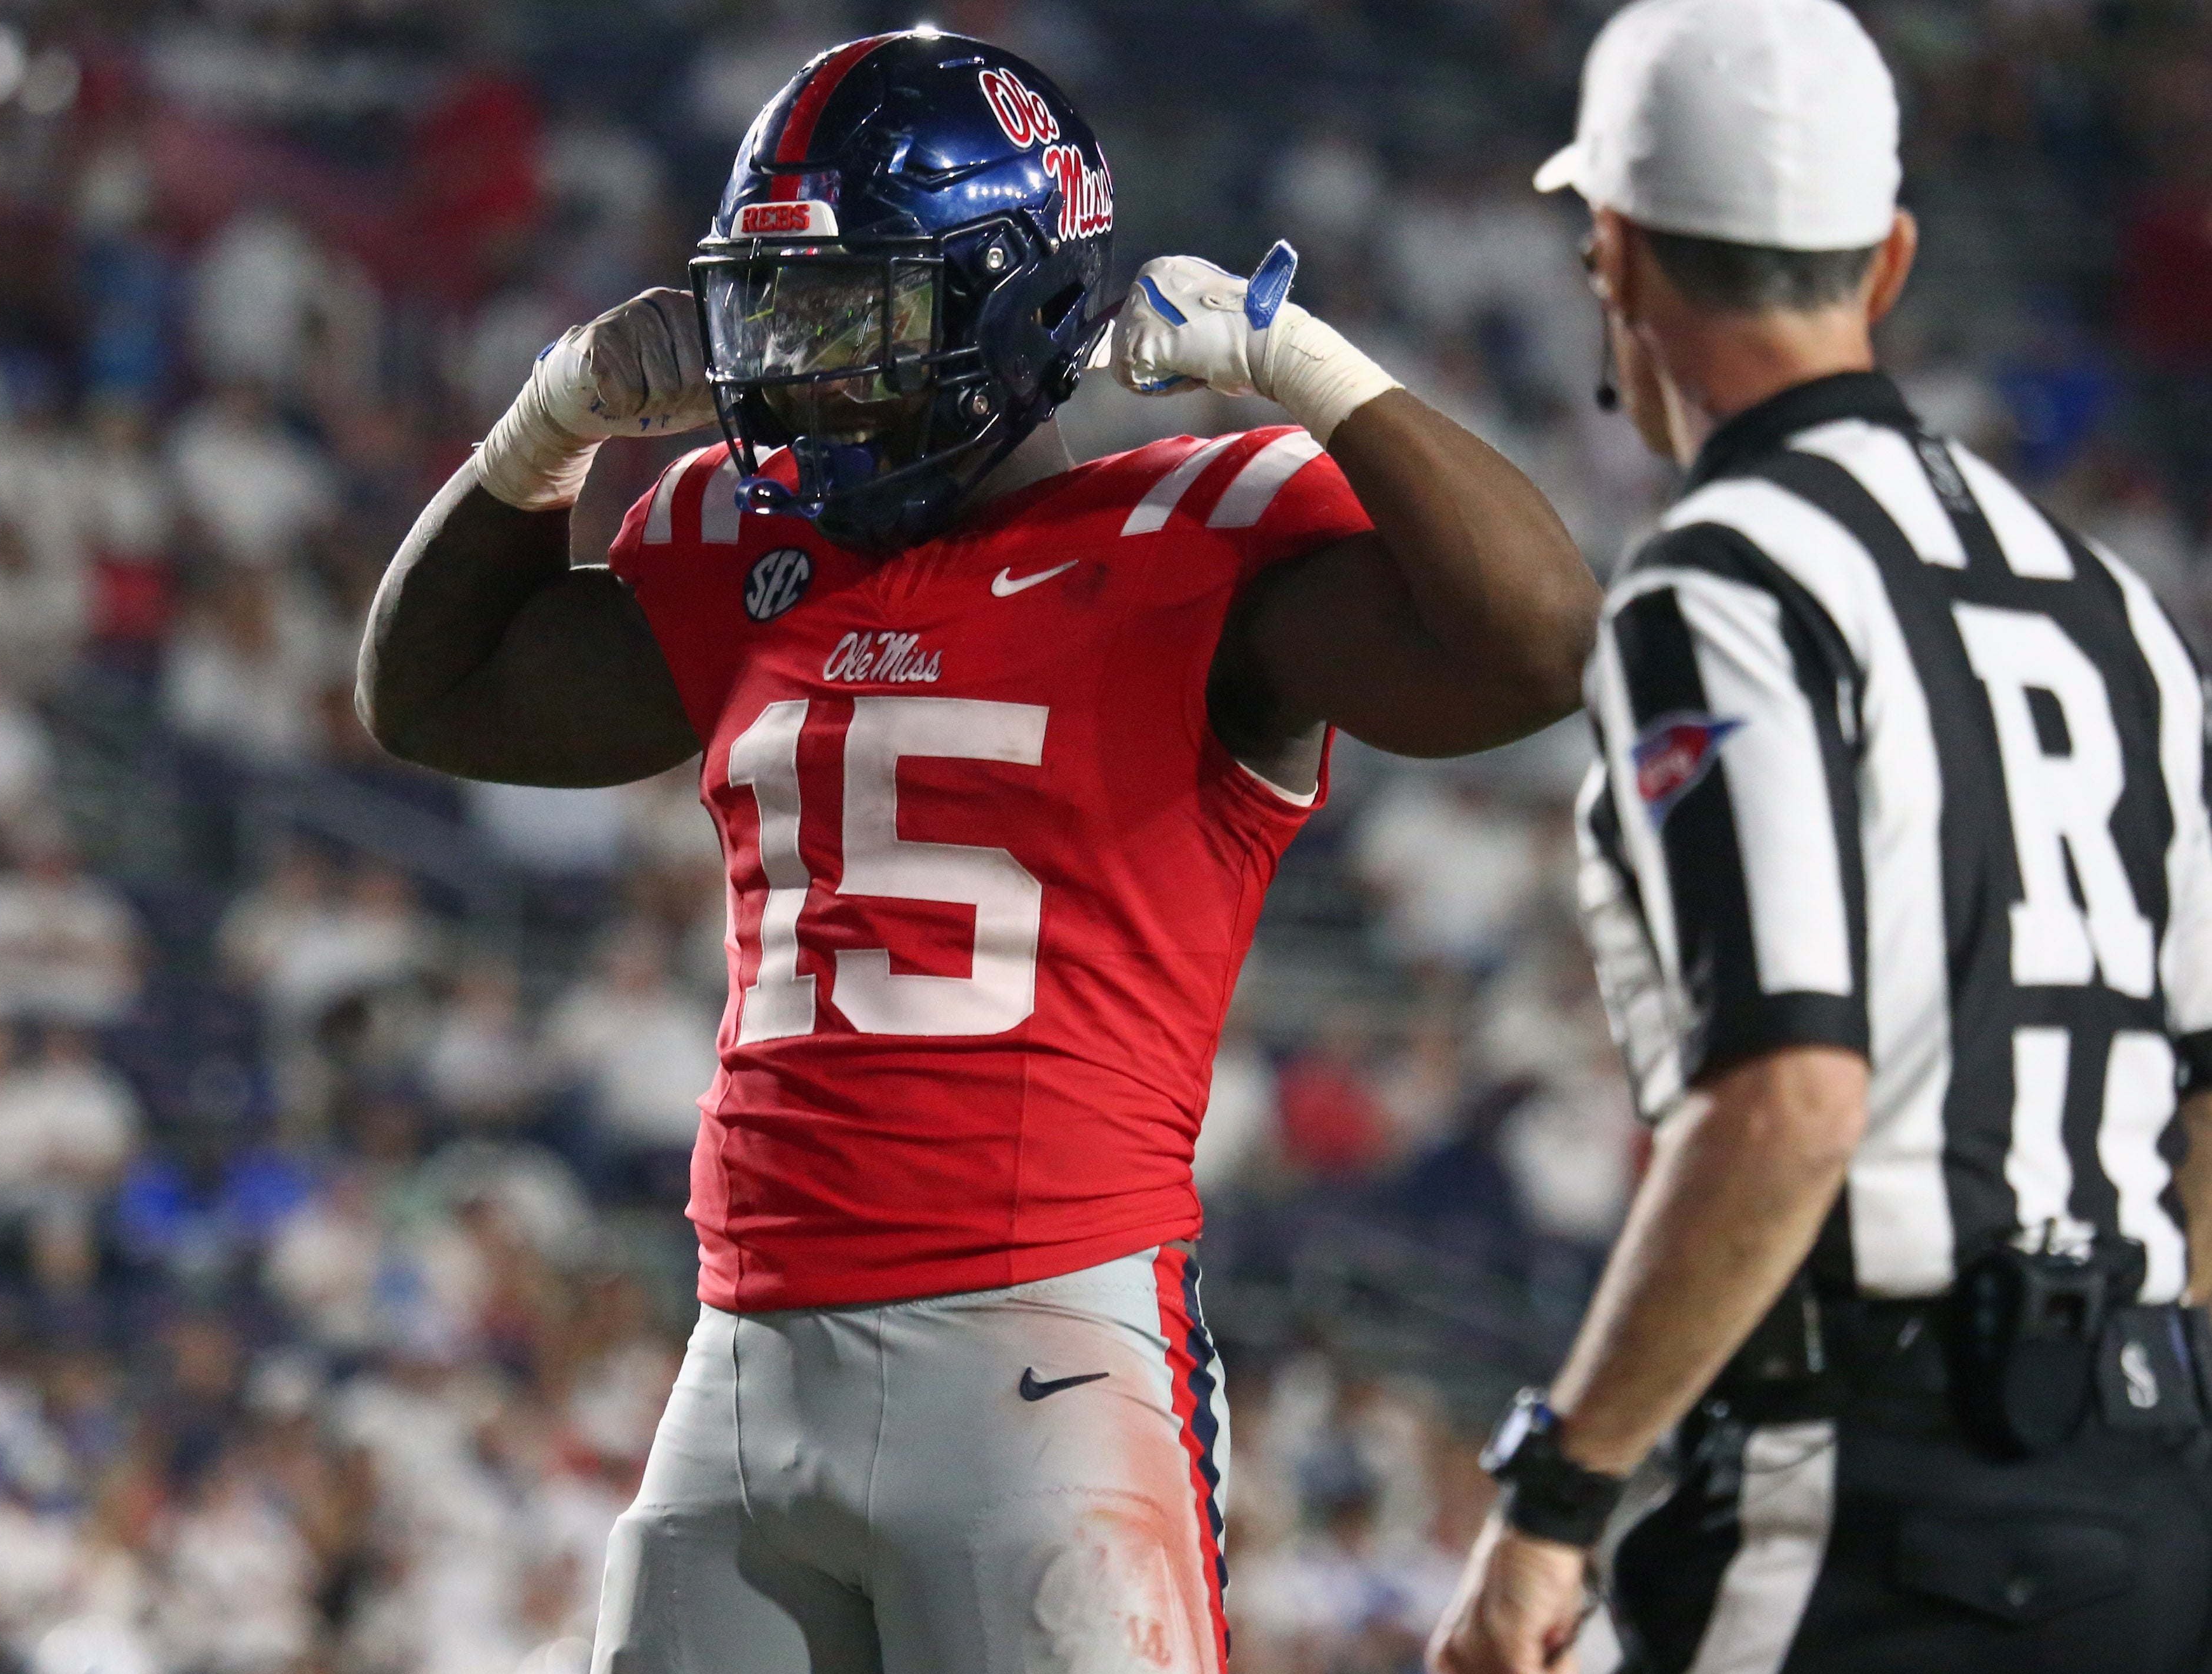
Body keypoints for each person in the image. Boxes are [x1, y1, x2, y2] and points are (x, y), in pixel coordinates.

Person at [360, 30, 1598, 1674]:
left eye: (846, 312)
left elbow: (1536, 644)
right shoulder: (752, 548)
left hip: (1040, 1366)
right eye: (772, 308)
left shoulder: (1193, 539)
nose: (791, 367)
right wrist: (551, 420)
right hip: (741, 1364)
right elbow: (427, 694)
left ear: (1003, 307)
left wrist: (1311, 369)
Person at [1430, 4, 2212, 1672]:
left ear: (1616, 260)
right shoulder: (2115, 608)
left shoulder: (1724, 579)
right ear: (1889, 260)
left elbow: (1790, 1093)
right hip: (2150, 1491)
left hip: (1871, 1480)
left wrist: (1558, 1493)